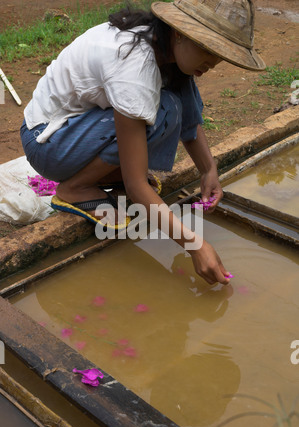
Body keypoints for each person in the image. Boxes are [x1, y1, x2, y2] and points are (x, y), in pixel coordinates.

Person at [20, 0, 265, 285]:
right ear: (180, 33)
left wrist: (208, 170)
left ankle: (100, 174)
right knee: (159, 114)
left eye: (221, 55)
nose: (213, 63)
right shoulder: (134, 65)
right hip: (47, 143)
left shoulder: (166, 50)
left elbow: (188, 120)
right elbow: (136, 187)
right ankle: (76, 187)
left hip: (77, 130)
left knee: (171, 106)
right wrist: (195, 245)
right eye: (208, 50)